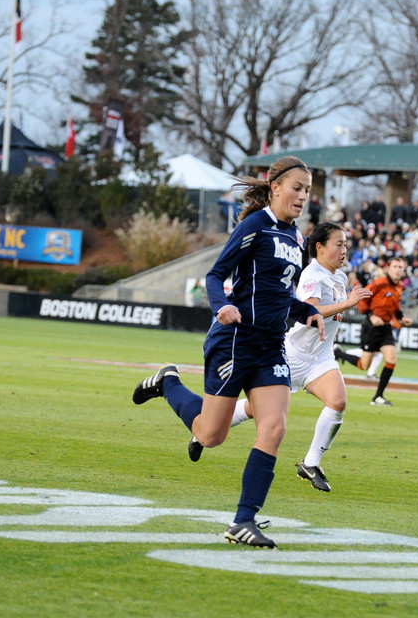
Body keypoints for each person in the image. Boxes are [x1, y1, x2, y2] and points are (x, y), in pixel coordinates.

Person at [131, 155, 324, 549]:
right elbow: (216, 274)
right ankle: (168, 382)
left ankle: (243, 520)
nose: (303, 196)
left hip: (270, 346)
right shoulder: (255, 226)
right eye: (296, 188)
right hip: (234, 339)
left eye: (307, 190)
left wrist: (307, 311)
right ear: (275, 188)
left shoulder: (297, 238)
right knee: (210, 434)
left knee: (274, 427)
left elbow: (281, 295)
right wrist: (221, 305)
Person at [226, 221, 371, 492]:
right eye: (338, 244)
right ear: (319, 247)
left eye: (346, 245)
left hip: (321, 357)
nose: (344, 250)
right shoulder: (312, 275)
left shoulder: (339, 278)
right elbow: (310, 312)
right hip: (294, 354)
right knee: (256, 409)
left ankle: (310, 463)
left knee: (338, 402)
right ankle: (207, 429)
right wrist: (349, 303)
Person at [334, 256, 413, 406]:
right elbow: (362, 299)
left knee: (391, 359)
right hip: (371, 328)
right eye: (395, 266)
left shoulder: (400, 286)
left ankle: (378, 396)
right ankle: (337, 353)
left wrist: (402, 318)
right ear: (388, 269)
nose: (398, 270)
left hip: (386, 328)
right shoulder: (379, 283)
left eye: (400, 267)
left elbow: (396, 308)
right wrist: (371, 315)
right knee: (364, 365)